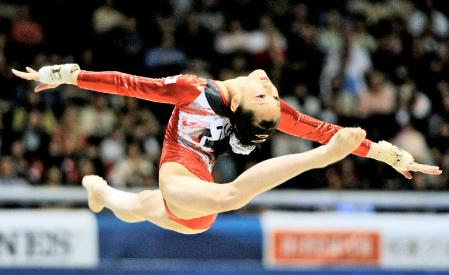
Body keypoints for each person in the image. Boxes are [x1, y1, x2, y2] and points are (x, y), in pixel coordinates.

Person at [12, 64, 442, 234]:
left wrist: (386, 153)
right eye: (271, 96)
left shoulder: (205, 93)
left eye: (267, 97)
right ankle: (103, 195)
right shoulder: (203, 93)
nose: (271, 90)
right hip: (181, 180)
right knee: (224, 196)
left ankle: (104, 195)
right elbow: (132, 85)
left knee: (146, 207)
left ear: (239, 105)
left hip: (197, 206)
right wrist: (70, 75)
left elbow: (322, 128)